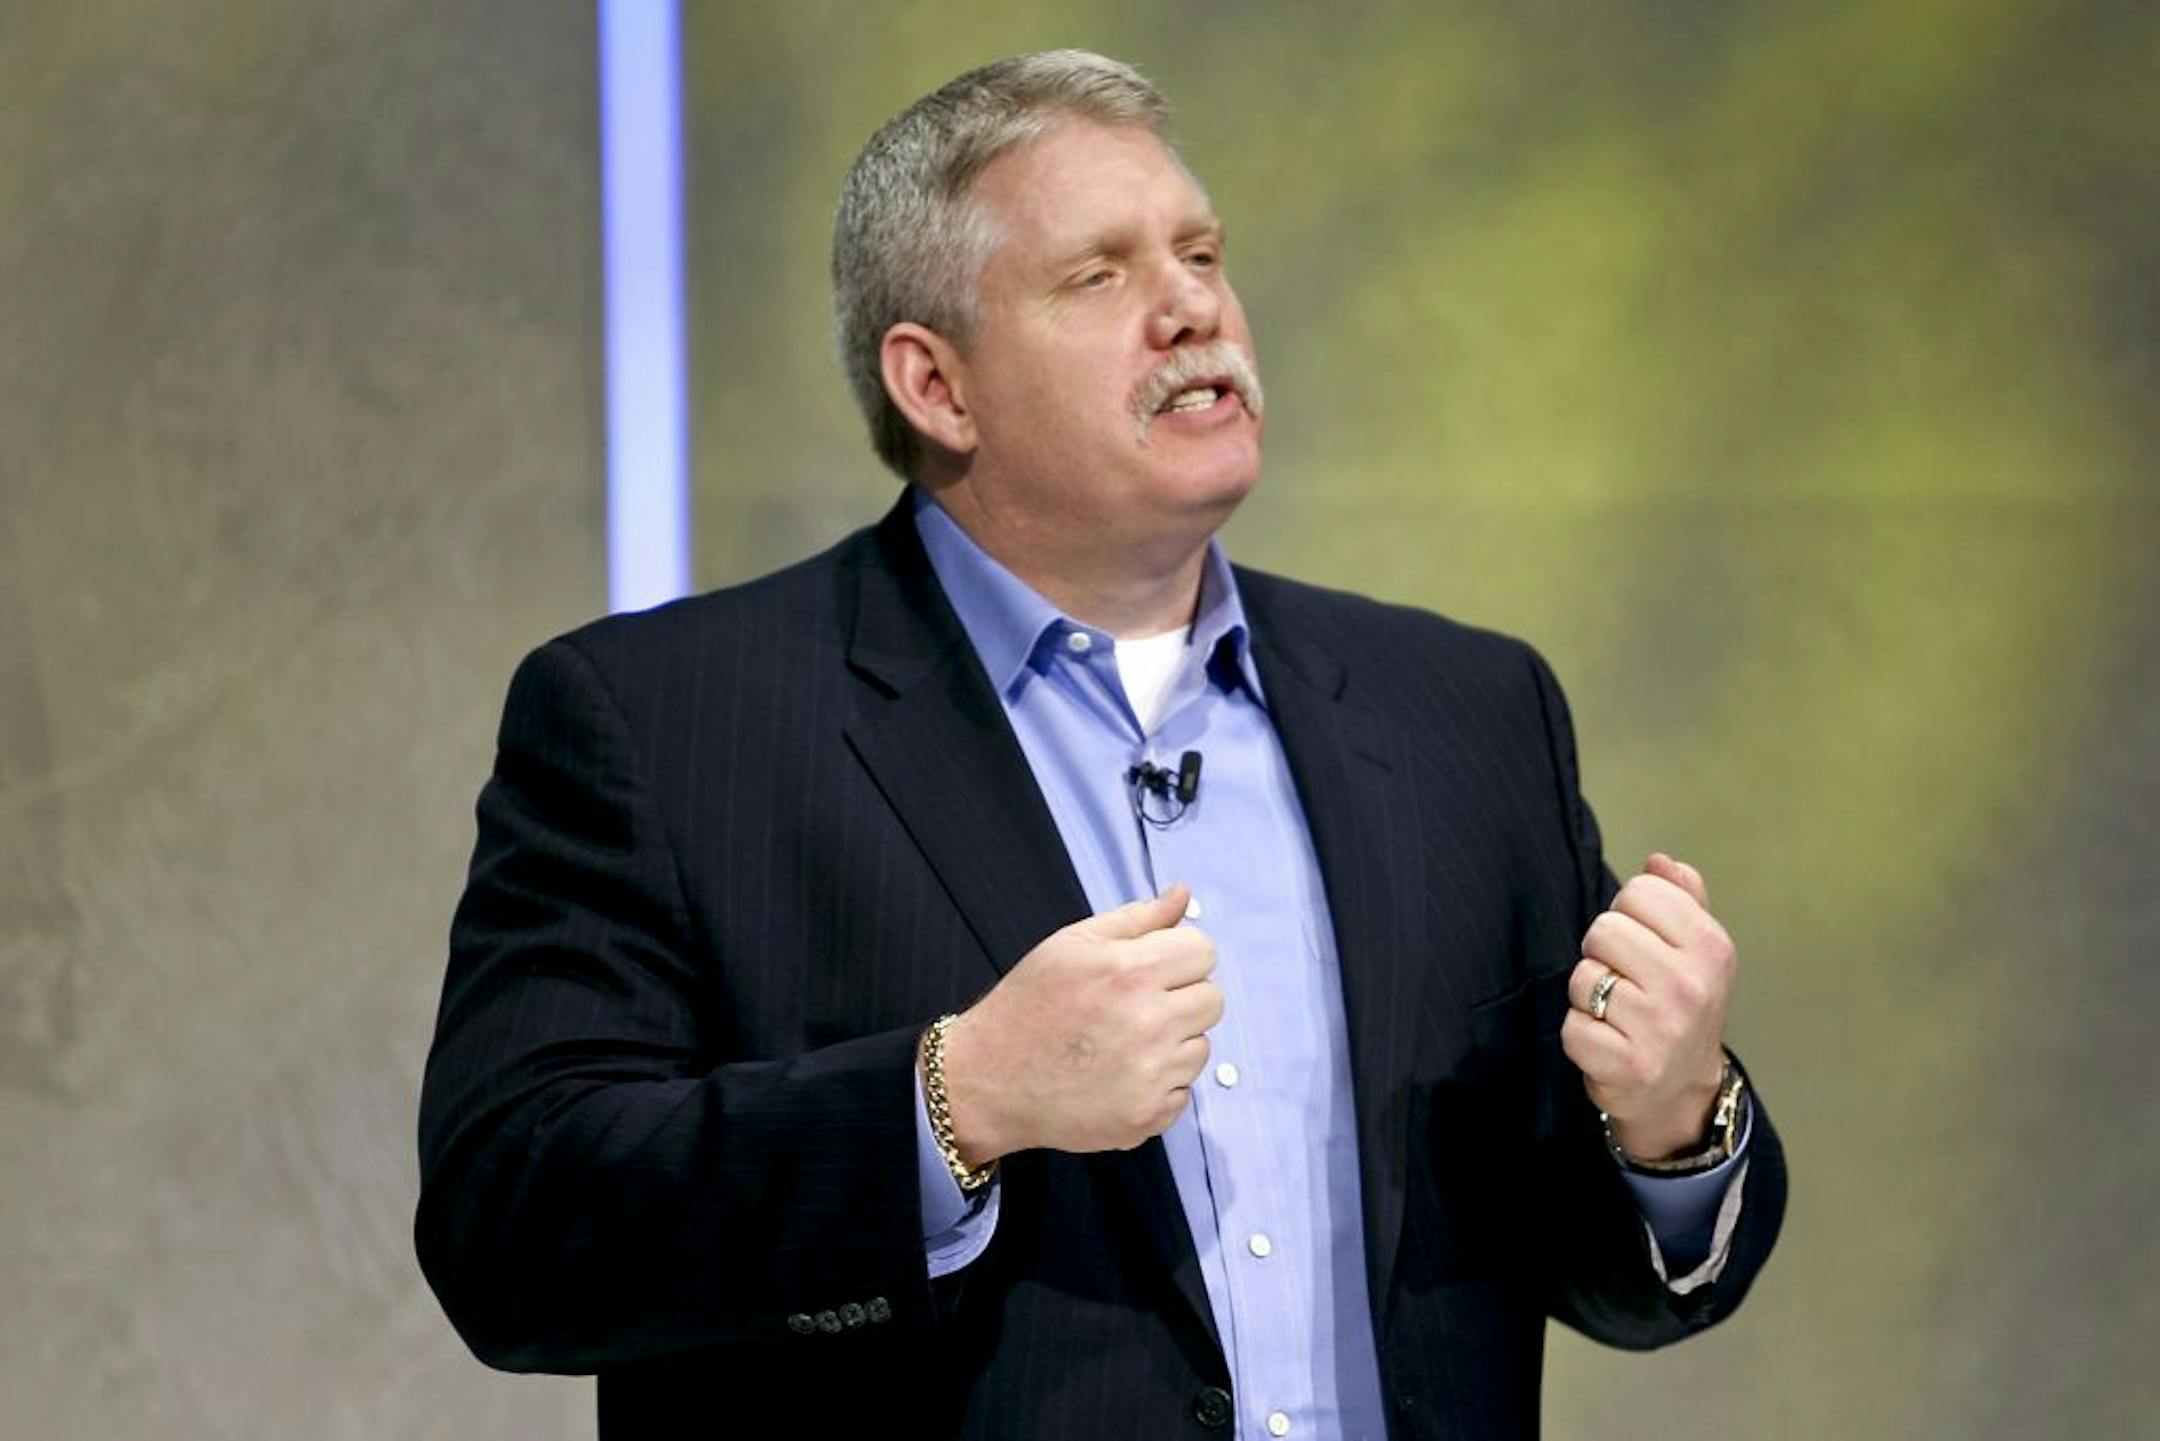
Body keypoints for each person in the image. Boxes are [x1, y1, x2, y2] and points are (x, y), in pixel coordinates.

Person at [416, 50, 1785, 1440]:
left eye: (1200, 253)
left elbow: (1604, 1267)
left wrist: (1672, 1123)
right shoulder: (664, 721)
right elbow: (513, 1228)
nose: (1192, 306)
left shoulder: (1466, 711)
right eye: (1102, 276)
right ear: (937, 386)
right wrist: (951, 1103)